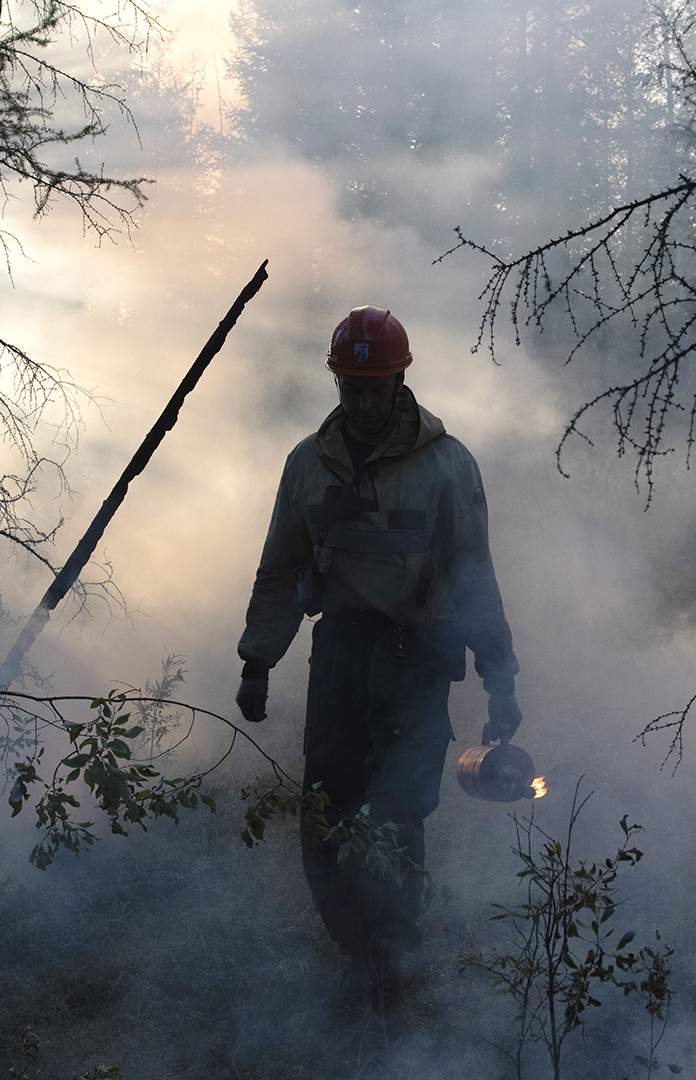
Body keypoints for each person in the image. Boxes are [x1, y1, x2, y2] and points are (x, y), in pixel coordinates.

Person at [234, 305, 523, 1012]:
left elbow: (474, 575)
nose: (363, 401)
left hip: (416, 659)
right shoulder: (309, 465)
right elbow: (281, 568)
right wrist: (257, 660)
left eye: (375, 385)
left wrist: (500, 679)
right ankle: (352, 945)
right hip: (339, 654)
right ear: (337, 383)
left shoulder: (446, 467)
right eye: (351, 387)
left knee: (397, 811)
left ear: (400, 381)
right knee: (327, 808)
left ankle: (394, 955)